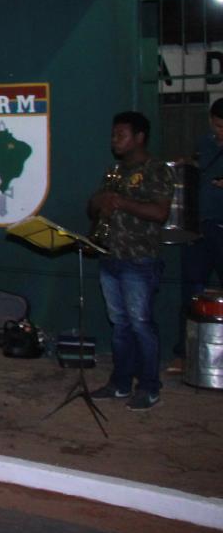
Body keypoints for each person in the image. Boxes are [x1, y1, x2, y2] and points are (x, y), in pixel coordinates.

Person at [87, 111, 174, 410]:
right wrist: (101, 204)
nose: (115, 140)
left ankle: (149, 387)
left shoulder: (156, 170)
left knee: (140, 324)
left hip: (140, 259)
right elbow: (94, 205)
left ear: (140, 137)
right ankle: (120, 383)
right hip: (110, 255)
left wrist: (122, 202)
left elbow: (161, 213)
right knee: (120, 324)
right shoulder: (114, 171)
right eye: (113, 134)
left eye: (121, 135)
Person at [176, 98, 223, 374]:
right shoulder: (203, 144)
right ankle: (185, 354)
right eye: (218, 125)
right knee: (191, 293)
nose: (221, 132)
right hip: (199, 227)